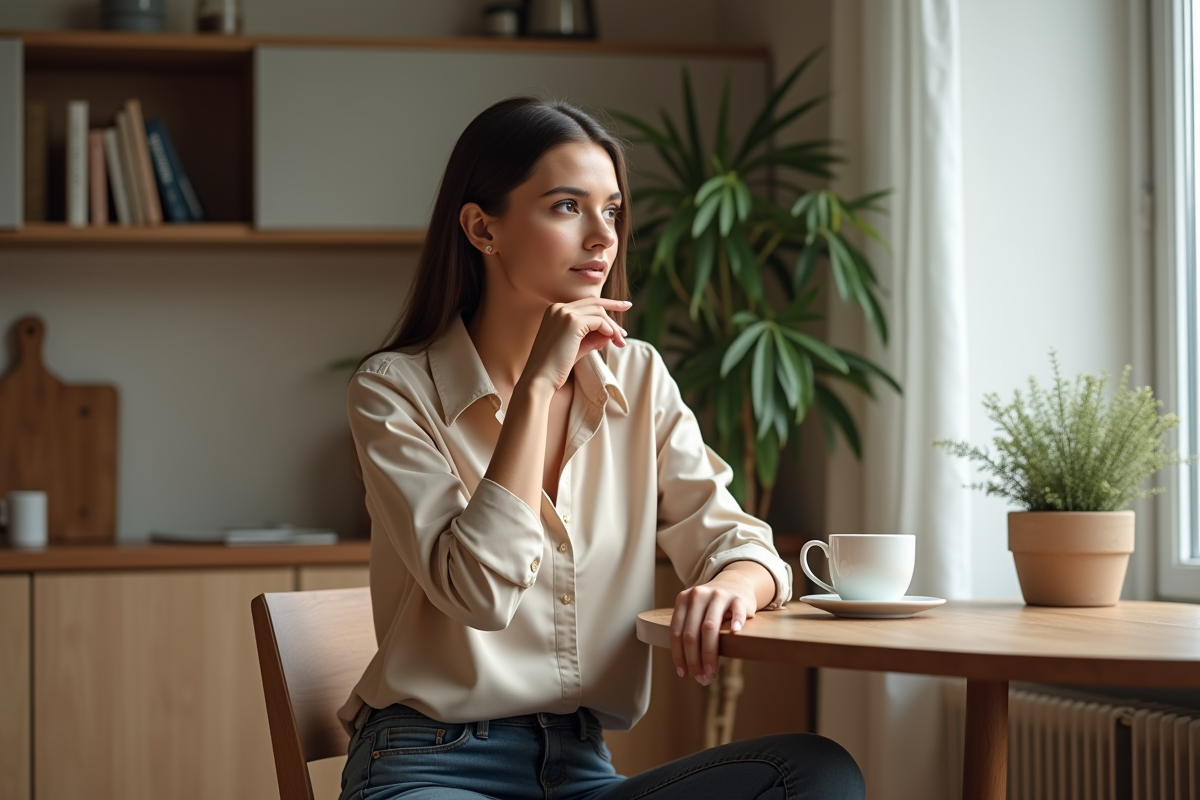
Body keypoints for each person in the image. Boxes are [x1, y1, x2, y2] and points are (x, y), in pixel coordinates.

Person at [336, 96, 865, 800]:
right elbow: (481, 594)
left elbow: (742, 541)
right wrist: (536, 388)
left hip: (582, 769)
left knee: (815, 773)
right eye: (566, 207)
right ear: (481, 228)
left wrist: (733, 583)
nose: (602, 238)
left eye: (612, 210)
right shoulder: (393, 390)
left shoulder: (637, 375)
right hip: (431, 764)